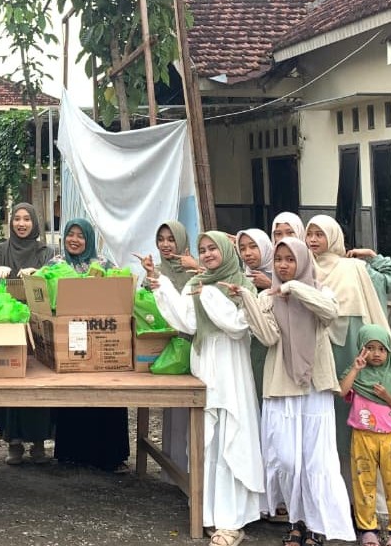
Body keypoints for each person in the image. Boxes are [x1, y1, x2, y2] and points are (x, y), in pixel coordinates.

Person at [235, 238, 354, 545]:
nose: (283, 265)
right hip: (282, 383)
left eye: (290, 259)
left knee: (316, 460)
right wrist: (249, 300)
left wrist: (294, 289)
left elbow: (329, 313)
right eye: (279, 259)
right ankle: (295, 517)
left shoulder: (319, 291)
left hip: (315, 385)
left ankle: (312, 525)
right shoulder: (269, 297)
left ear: (301, 261)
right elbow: (269, 336)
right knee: (287, 459)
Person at [150, 231, 263, 546]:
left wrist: (208, 295)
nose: (208, 253)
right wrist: (161, 287)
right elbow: (187, 322)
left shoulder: (241, 285)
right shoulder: (196, 284)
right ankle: (208, 511)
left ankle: (232, 520)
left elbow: (239, 325)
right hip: (205, 364)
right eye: (202, 249)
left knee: (230, 435)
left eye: (214, 248)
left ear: (226, 251)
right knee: (208, 438)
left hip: (230, 369)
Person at [304, 215, 390, 491]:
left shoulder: (353, 267)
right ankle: (323, 490)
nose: (314, 240)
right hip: (316, 347)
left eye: (320, 234)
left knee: (352, 413)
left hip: (350, 346)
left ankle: (357, 494)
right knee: (322, 414)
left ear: (334, 236)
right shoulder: (303, 268)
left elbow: (389, 286)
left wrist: (375, 257)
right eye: (310, 234)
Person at [48, 218, 130, 472]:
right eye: (70, 235)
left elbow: (119, 295)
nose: (74, 240)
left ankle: (109, 455)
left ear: (89, 239)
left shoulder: (103, 264)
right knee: (73, 392)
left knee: (107, 395)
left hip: (103, 337)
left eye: (80, 235)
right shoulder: (55, 265)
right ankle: (72, 453)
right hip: (70, 340)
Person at [0, 203, 55, 465]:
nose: (22, 224)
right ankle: (13, 441)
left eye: (27, 219)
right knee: (9, 378)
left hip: (37, 327)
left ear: (34, 223)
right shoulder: (0, 251)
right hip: (8, 326)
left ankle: (39, 442)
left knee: (39, 381)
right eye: (17, 218)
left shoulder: (45, 252)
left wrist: (40, 275)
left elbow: (52, 284)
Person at [339, 324, 391, 546]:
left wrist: (387, 396)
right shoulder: (356, 375)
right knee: (364, 483)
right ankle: (368, 529)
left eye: (381, 349)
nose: (376, 353)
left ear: (389, 352)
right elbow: (341, 391)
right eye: (370, 347)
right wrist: (355, 369)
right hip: (363, 437)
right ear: (361, 349)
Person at [135, 219, 198, 481]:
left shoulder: (196, 270)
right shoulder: (155, 271)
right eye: (161, 239)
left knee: (194, 415)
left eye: (171, 239)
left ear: (182, 241)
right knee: (172, 414)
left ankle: (193, 473)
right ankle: (172, 471)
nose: (166, 244)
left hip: (194, 347)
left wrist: (197, 267)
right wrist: (150, 278)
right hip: (166, 349)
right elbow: (144, 310)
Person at [236, 228, 274, 404]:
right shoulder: (241, 279)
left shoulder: (282, 274)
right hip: (247, 349)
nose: (247, 253)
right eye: (242, 248)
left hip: (272, 349)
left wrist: (271, 285)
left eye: (253, 247)